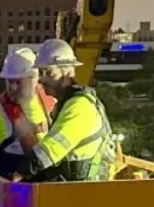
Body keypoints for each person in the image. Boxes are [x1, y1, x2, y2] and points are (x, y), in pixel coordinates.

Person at [16, 38, 116, 182]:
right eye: (41, 73)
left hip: (86, 192)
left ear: (68, 74)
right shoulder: (67, 104)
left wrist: (20, 174)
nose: (42, 80)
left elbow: (50, 150)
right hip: (76, 189)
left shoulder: (79, 106)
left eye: (49, 73)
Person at [0, 47, 56, 176]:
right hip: (10, 185)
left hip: (47, 182)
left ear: (35, 79)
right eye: (9, 81)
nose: (13, 87)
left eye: (18, 82)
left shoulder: (52, 104)